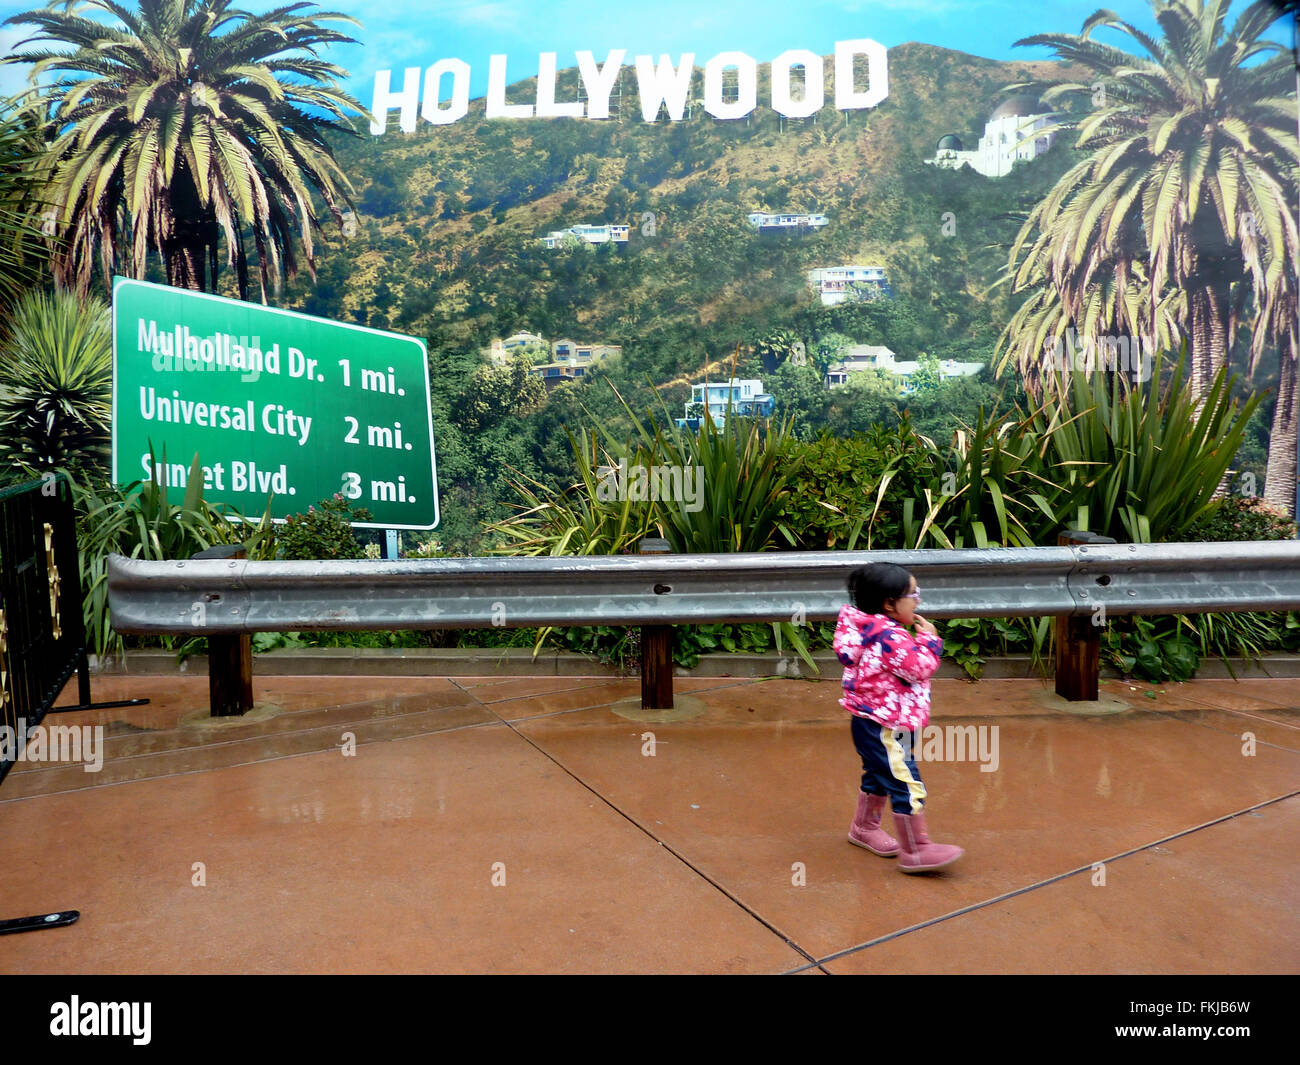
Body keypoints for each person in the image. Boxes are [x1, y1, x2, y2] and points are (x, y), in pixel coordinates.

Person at [833, 562, 964, 874]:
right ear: (889, 603)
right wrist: (930, 641)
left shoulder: (865, 628)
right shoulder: (890, 637)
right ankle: (916, 849)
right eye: (913, 594)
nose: (918, 600)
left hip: (871, 721)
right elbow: (918, 668)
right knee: (906, 781)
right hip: (885, 726)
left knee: (879, 774)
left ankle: (864, 828)